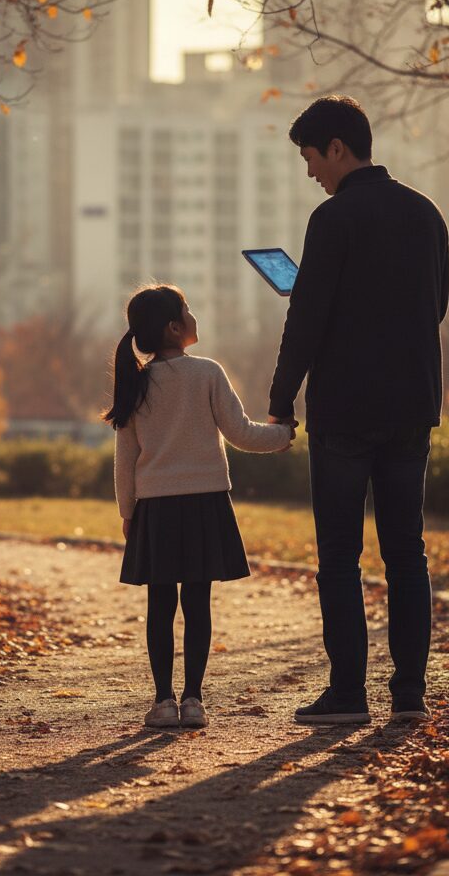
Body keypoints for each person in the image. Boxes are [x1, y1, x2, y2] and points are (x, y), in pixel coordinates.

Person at [267, 95, 449, 725]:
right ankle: (410, 693)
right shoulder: (427, 214)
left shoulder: (333, 219)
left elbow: (308, 318)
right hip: (411, 404)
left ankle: (348, 694)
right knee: (407, 552)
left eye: (311, 157)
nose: (310, 171)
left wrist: (279, 397)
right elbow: (437, 305)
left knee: (340, 557)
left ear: (337, 148)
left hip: (345, 410)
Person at [107, 285, 294, 730]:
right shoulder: (208, 373)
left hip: (155, 507)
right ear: (175, 327)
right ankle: (194, 700)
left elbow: (125, 458)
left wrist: (128, 513)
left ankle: (163, 701)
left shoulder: (138, 382)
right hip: (205, 501)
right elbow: (241, 432)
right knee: (198, 602)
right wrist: (284, 435)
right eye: (188, 310)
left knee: (160, 604)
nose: (194, 316)